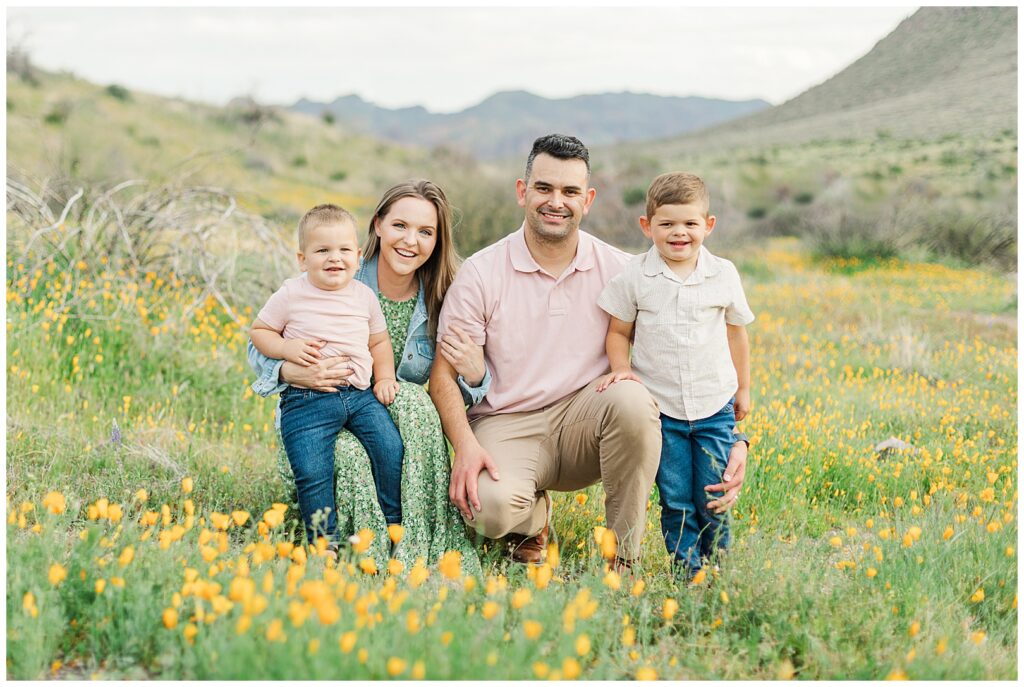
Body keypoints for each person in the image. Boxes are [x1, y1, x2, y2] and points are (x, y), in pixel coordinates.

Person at [429, 134, 750, 570]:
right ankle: (531, 520)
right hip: (508, 423)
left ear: (589, 199)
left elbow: (698, 352)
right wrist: (464, 446)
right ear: (523, 192)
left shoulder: (625, 271)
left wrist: (735, 437)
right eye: (544, 188)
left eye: (570, 192)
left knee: (634, 400)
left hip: (590, 419)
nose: (556, 202)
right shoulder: (481, 274)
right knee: (488, 510)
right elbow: (442, 377)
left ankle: (622, 557)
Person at [248, 181, 487, 575]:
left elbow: (455, 381)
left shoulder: (445, 293)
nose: (410, 241)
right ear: (377, 225)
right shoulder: (336, 271)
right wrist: (294, 369)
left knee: (406, 418)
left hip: (380, 412)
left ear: (437, 239)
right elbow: (258, 343)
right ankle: (335, 547)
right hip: (315, 406)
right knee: (347, 459)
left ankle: (409, 533)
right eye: (400, 226)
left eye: (426, 232)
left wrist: (477, 373)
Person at [596, 171, 754, 579]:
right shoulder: (635, 276)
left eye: (690, 223)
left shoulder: (723, 274)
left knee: (713, 493)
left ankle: (719, 565)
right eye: (667, 224)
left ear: (708, 225)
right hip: (661, 409)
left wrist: (744, 387)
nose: (679, 233)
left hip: (713, 403)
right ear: (647, 226)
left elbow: (737, 334)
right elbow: (617, 332)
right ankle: (688, 571)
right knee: (676, 497)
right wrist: (622, 371)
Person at [250, 203, 404, 553]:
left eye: (344, 250)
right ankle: (324, 543)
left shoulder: (363, 296)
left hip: (360, 395)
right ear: (303, 259)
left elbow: (378, 341)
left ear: (359, 255)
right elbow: (260, 331)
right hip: (306, 401)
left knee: (390, 449)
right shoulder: (292, 293)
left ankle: (393, 527)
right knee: (312, 469)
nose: (335, 258)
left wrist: (384, 378)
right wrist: (287, 349)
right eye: (322, 251)